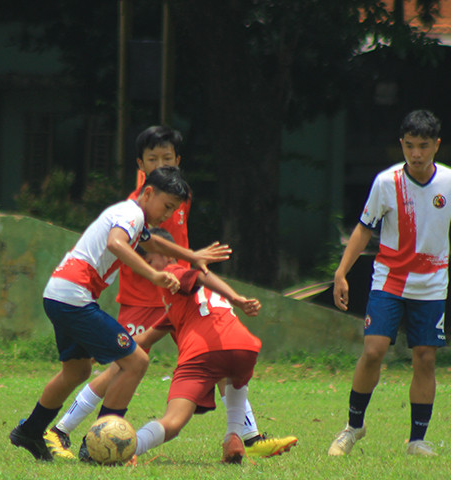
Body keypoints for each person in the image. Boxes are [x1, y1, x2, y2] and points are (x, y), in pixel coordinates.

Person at [45, 126, 293, 459]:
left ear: (178, 160)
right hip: (142, 298)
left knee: (215, 354)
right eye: (152, 159)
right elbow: (134, 247)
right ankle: (60, 429)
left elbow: (171, 245)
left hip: (177, 296)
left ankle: (247, 436)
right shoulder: (135, 206)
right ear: (140, 165)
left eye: (167, 158)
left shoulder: (179, 197)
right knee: (122, 366)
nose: (161, 164)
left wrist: (192, 260)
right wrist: (160, 274)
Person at [9, 165, 231, 461]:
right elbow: (115, 243)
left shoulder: (132, 217)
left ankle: (30, 431)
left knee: (77, 371)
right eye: (166, 206)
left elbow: (151, 242)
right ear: (148, 193)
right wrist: (153, 275)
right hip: (74, 296)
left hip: (59, 294)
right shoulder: (132, 214)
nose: (168, 215)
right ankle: (96, 446)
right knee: (136, 361)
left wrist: (191, 255)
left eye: (173, 210)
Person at [328, 109, 451, 457]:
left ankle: (417, 440)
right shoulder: (385, 182)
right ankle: (353, 427)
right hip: (389, 280)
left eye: (423, 146)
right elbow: (364, 228)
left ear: (437, 145)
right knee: (373, 351)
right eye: (409, 146)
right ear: (401, 145)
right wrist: (341, 272)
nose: (416, 154)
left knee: (424, 358)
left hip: (432, 284)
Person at [91, 236, 285, 464]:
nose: (147, 272)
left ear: (166, 256)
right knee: (231, 377)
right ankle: (233, 436)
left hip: (203, 353)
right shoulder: (182, 303)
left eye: (149, 263)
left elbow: (200, 274)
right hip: (244, 348)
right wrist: (106, 349)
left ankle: (130, 450)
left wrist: (236, 298)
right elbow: (144, 338)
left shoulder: (174, 272)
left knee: (173, 422)